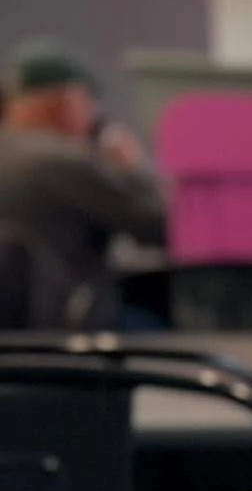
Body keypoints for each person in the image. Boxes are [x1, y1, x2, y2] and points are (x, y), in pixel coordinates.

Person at [0, 40, 167, 327]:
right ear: (64, 102)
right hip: (62, 330)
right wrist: (131, 169)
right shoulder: (66, 160)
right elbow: (159, 225)